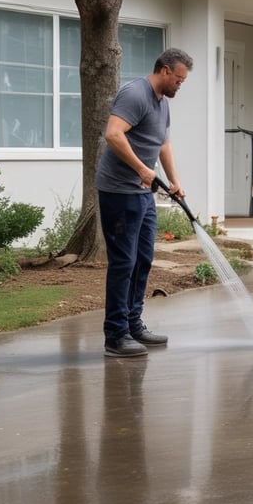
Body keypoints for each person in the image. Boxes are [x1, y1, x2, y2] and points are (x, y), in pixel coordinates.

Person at [95, 48, 193, 357]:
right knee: (124, 262)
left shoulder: (162, 103)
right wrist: (141, 169)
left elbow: (162, 142)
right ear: (165, 71)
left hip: (142, 194)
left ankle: (133, 324)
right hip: (120, 192)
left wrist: (174, 180)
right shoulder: (135, 94)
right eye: (178, 79)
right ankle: (115, 334)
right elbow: (113, 134)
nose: (180, 84)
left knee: (143, 260)